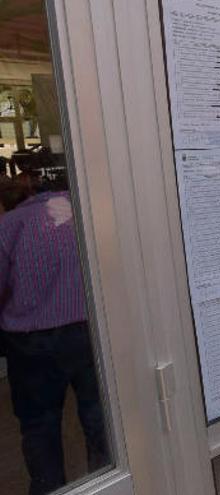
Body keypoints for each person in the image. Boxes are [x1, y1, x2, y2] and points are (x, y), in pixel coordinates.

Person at [0, 186, 109, 494]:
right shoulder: (90, 216)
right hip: (88, 331)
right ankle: (107, 480)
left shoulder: (11, 225)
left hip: (30, 341)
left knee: (39, 423)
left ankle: (49, 487)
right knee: (97, 412)